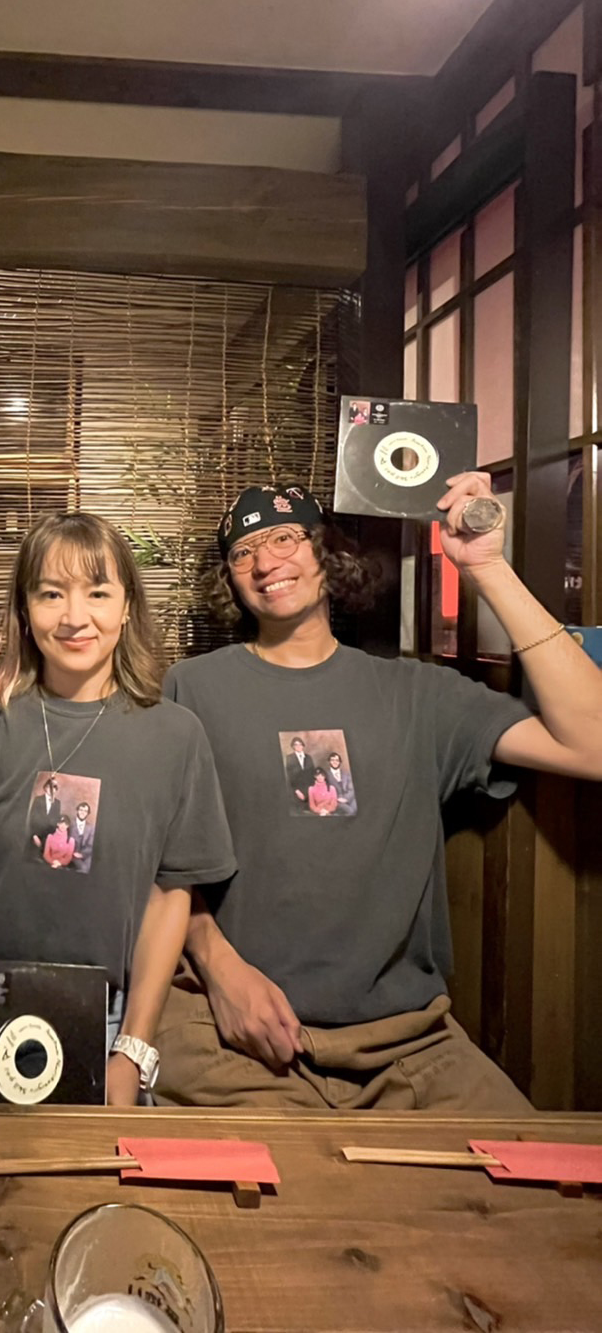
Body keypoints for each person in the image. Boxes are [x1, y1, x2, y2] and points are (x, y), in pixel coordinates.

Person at [155, 472, 602, 1113]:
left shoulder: (417, 694)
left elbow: (593, 744)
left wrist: (487, 568)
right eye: (242, 552)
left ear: (325, 552)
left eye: (284, 538)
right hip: (232, 1035)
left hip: (410, 1045)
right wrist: (219, 970)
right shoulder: (192, 688)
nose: (265, 563)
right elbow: (161, 864)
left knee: (531, 1168)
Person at [0, 511, 235, 1107]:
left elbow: (168, 899)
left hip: (105, 1021)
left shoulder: (175, 735)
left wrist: (131, 1053)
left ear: (127, 606)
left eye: (98, 593)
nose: (75, 617)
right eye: (51, 594)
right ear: (24, 609)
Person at [29, 775, 62, 843]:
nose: (51, 789)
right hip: (36, 836)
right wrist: (34, 835)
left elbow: (56, 820)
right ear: (46, 787)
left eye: (54, 787)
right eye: (49, 787)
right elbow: (32, 818)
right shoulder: (38, 800)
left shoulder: (57, 803)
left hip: (50, 838)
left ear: (55, 790)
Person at [284, 736, 313, 808]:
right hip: (296, 791)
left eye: (300, 744)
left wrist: (311, 790)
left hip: (309, 790)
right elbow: (290, 776)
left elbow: (312, 774)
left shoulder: (308, 757)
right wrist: (296, 791)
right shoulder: (289, 758)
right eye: (296, 745)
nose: (298, 746)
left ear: (303, 746)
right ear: (293, 746)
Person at [69, 800, 96, 873]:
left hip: (85, 855)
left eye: (85, 811)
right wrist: (74, 853)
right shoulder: (70, 824)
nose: (83, 812)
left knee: (91, 867)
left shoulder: (91, 827)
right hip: (72, 854)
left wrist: (82, 854)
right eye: (81, 810)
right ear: (77, 810)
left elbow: (90, 845)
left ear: (88, 813)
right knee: (84, 869)